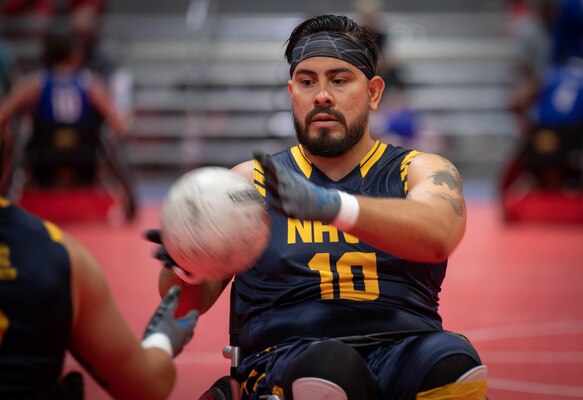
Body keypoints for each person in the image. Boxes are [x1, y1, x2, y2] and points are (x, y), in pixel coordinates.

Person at [148, 14, 487, 400]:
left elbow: (440, 234)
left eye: (339, 80)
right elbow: (186, 304)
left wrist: (331, 206)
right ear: (292, 92)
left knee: (453, 360)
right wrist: (186, 261)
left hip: (404, 346)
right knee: (329, 368)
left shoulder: (419, 169)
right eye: (308, 82)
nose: (322, 95)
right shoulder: (248, 184)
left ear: (374, 93)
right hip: (288, 356)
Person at [0, 131, 199, 399]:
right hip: (83, 160)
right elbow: (146, 386)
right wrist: (162, 338)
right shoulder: (60, 254)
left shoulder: (36, 90)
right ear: (7, 159)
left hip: (47, 162)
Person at [0, 26, 137, 219]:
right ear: (74, 54)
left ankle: (3, 198)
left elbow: (3, 114)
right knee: (108, 135)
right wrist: (126, 120)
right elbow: (118, 123)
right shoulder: (89, 82)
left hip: (41, 157)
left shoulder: (35, 83)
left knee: (14, 132)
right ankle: (130, 204)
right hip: (85, 157)